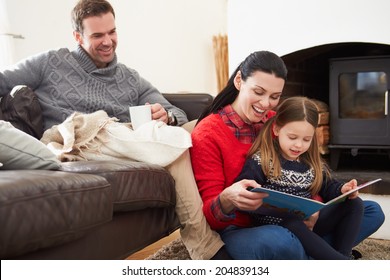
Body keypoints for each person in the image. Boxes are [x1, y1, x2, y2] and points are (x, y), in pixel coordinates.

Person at [0, 0, 229, 260]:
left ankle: (233, 219)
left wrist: (167, 115)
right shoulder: (50, 62)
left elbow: (175, 112)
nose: (108, 41)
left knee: (204, 127)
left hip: (127, 139)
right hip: (82, 140)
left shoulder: (129, 77)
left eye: (112, 32)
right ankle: (206, 249)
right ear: (78, 36)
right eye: (97, 35)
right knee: (167, 141)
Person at [191, 50, 385, 259]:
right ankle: (322, 255)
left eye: (275, 97)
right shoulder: (208, 133)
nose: (265, 104)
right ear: (239, 80)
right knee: (281, 240)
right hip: (243, 230)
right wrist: (227, 199)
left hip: (297, 223)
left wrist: (314, 207)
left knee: (371, 211)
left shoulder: (279, 121)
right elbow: (210, 216)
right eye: (258, 92)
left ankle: (317, 255)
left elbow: (308, 171)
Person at [235, 96, 364, 259]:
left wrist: (343, 189)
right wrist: (252, 196)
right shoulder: (261, 160)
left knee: (355, 204)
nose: (299, 145)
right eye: (292, 137)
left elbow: (329, 187)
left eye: (306, 140)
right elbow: (242, 192)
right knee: (292, 221)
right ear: (276, 130)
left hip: (307, 223)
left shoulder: (311, 163)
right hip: (277, 227)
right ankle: (339, 262)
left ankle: (342, 255)